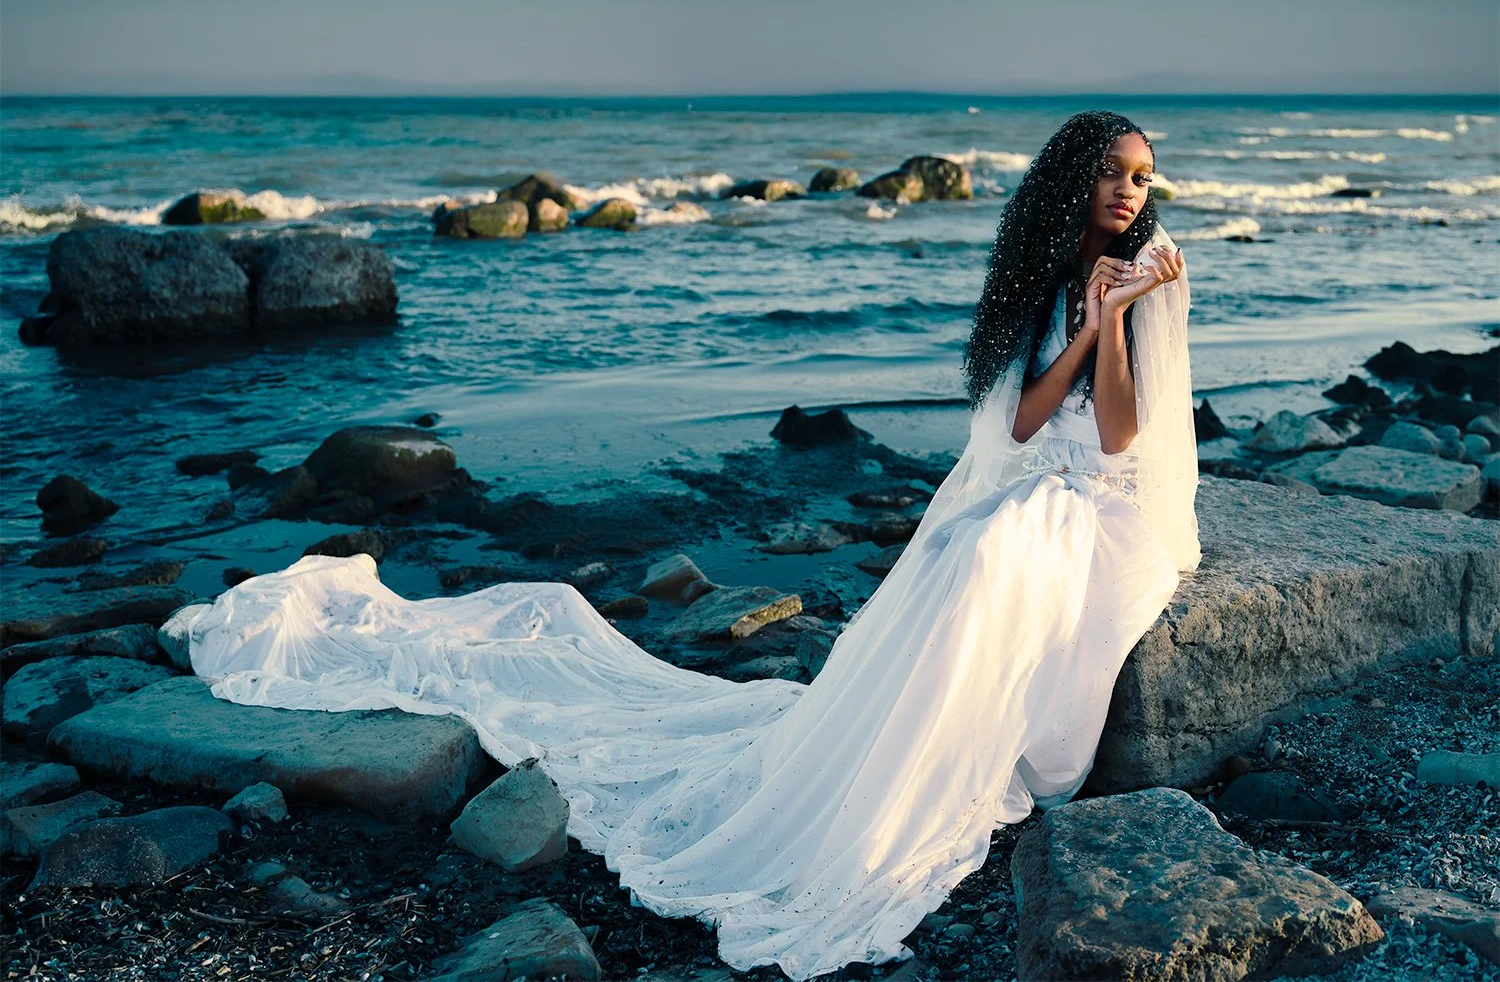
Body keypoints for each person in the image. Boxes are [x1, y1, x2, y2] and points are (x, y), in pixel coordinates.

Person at [180, 109, 1198, 981]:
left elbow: (1115, 436)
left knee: (987, 557)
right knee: (956, 555)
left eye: (1141, 175)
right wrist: (1084, 316)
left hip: (1099, 503)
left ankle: (918, 783)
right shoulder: (1046, 279)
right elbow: (1019, 426)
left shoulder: (1149, 278)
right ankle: (890, 760)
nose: (1125, 187)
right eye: (1109, 169)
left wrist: (1119, 316)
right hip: (1036, 479)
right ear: (1072, 178)